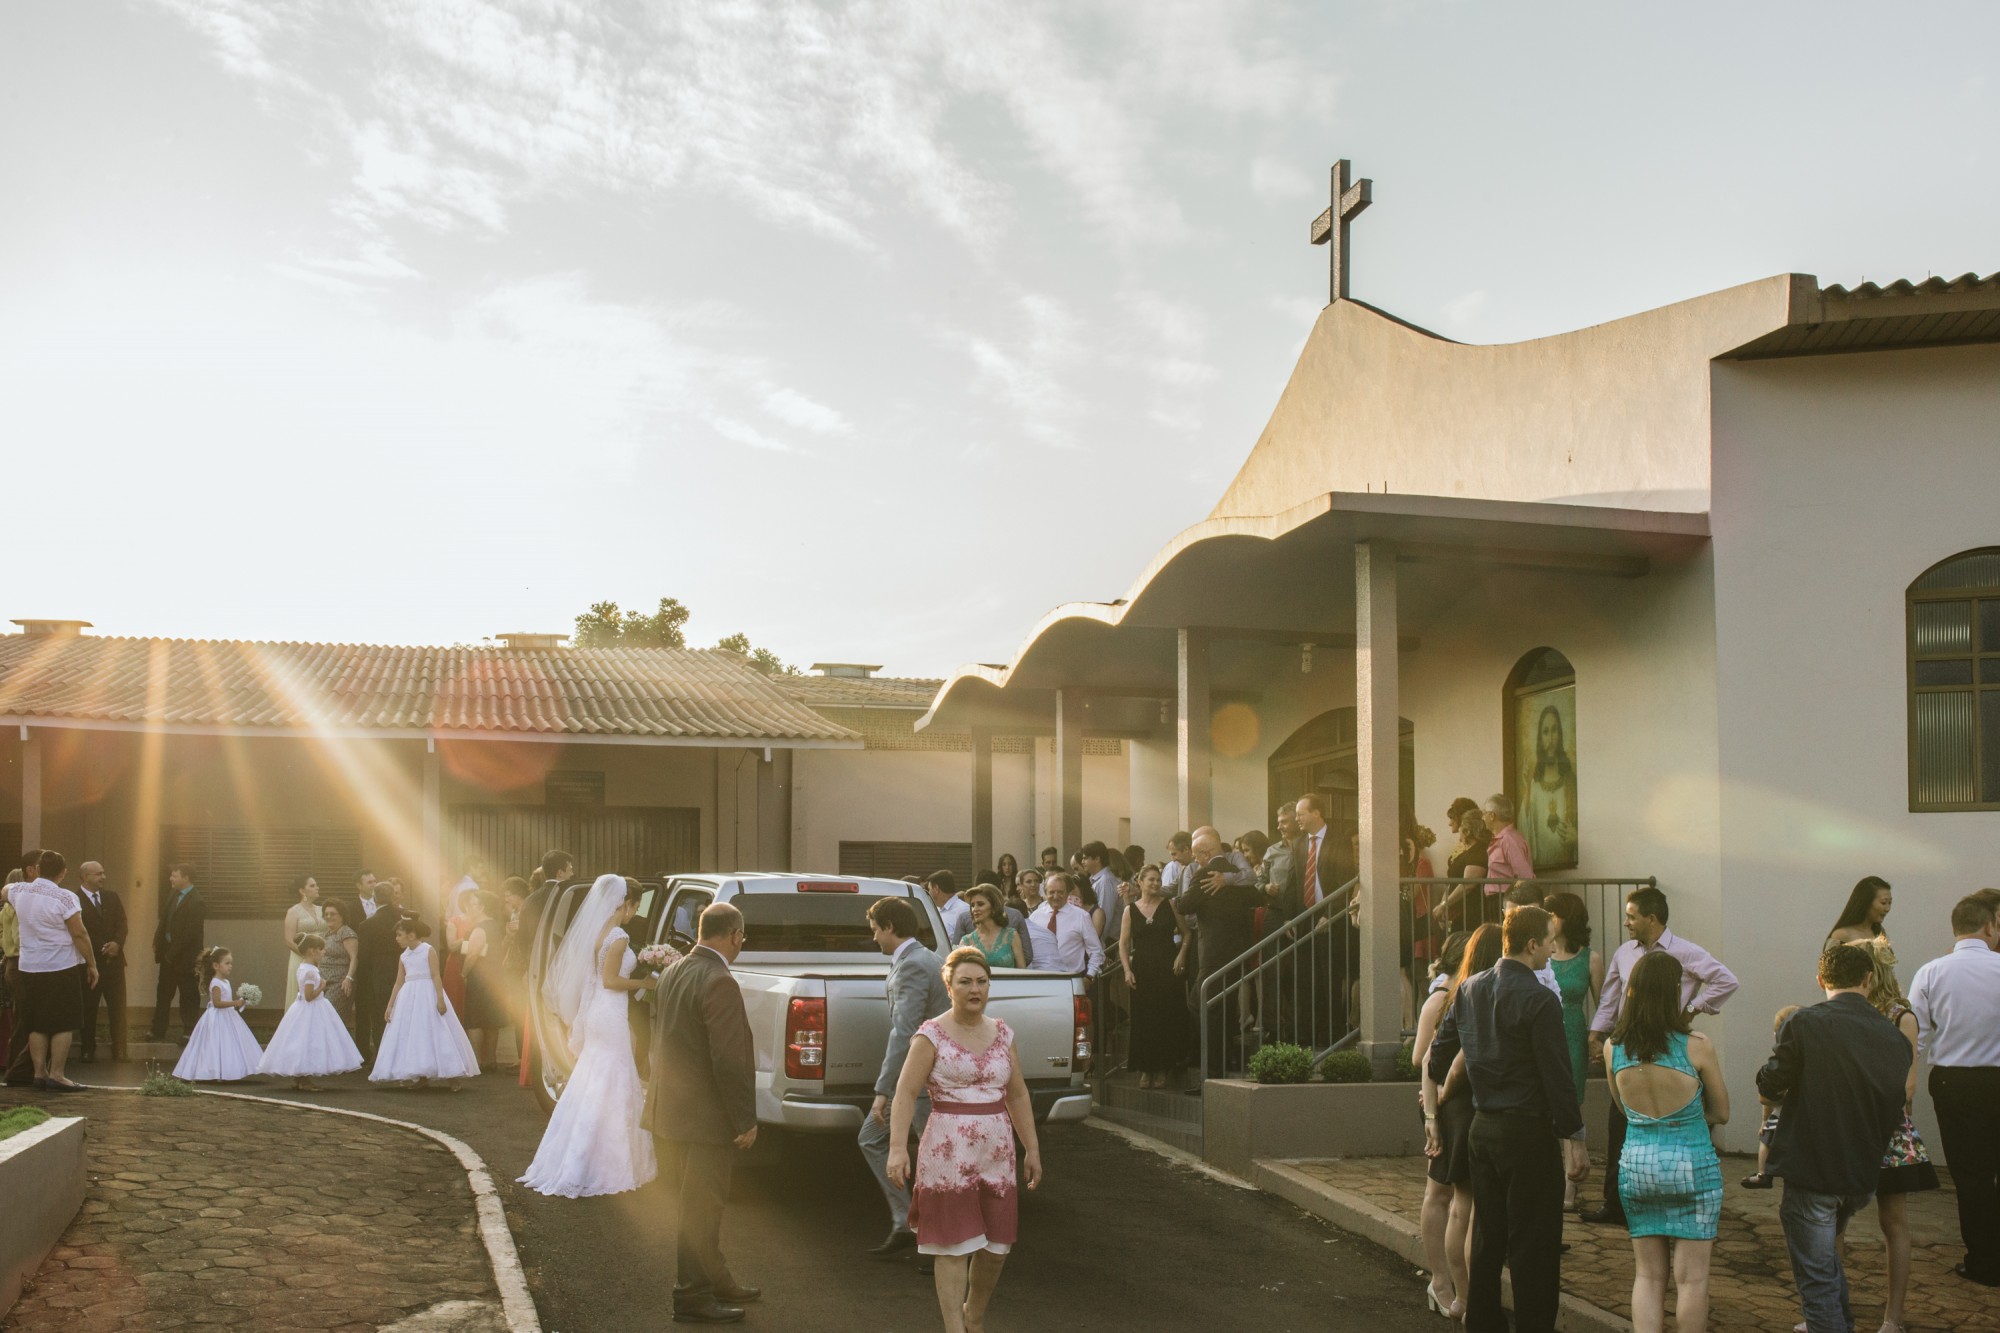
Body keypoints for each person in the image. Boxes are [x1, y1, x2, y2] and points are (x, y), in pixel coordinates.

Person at [1425, 906, 1587, 1333]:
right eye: (1550, 940)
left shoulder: (1469, 989)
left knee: (1486, 1239)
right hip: (1528, 1133)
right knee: (1533, 1246)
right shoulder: (1540, 998)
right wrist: (1576, 1138)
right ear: (1532, 944)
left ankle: (1483, 1324)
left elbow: (1436, 1058)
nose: (1554, 948)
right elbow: (1558, 1075)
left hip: (1483, 1129)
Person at [886, 947, 1044, 1333]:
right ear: (949, 985)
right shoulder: (930, 1035)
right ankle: (954, 1328)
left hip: (998, 1152)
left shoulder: (1004, 1033)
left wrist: (1033, 1148)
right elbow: (905, 1093)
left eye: (982, 981)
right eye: (965, 982)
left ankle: (974, 1314)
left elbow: (1018, 1093)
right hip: (947, 1153)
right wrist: (895, 1149)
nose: (975, 989)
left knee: (996, 1249)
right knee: (953, 1247)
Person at [1758, 943, 1912, 1333]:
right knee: (1824, 1267)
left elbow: (1769, 1085)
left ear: (1821, 979)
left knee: (1817, 1281)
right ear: (1868, 978)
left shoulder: (1805, 1022)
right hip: (1861, 1173)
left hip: (1812, 1169)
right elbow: (1897, 1103)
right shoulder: (1892, 1034)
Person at [1584, 887, 1738, 1227]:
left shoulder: (1686, 952)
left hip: (1670, 1045)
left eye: (1631, 916)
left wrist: (1692, 1009)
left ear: (1651, 918)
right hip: (1629, 1042)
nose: (1626, 922)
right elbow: (1610, 997)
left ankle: (1676, 1189)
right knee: (1619, 1122)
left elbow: (1726, 980)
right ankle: (1616, 1200)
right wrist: (1597, 1034)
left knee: (1669, 1116)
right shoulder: (1624, 953)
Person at [642, 902, 760, 1325]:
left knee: (695, 1205)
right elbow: (728, 1059)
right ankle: (691, 1295)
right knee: (702, 1208)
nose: (741, 943)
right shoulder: (718, 980)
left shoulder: (674, 970)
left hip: (670, 1111)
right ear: (734, 935)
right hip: (705, 1117)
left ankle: (717, 1278)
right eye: (742, 937)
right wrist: (744, 1118)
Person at [1607, 952, 1728, 1333]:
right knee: (1692, 1280)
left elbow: (1624, 1109)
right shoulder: (1697, 1045)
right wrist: (1692, 1118)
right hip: (1692, 1166)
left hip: (1637, 1165)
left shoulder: (1615, 1047)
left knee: (1648, 1276)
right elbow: (1722, 1112)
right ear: (1674, 991)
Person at [521, 876, 661, 1198]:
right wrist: (645, 984)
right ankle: (606, 1161)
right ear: (624, 904)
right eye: (634, 907)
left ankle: (581, 1155)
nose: (634, 913)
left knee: (595, 1080)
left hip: (600, 1012)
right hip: (610, 1012)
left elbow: (598, 980)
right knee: (613, 1079)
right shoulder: (619, 937)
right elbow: (611, 981)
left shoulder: (598, 933)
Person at [1907, 893, 2000, 1289]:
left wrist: (1905, 1085)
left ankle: (1984, 1262)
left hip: (1954, 1082)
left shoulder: (1931, 972)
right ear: (1990, 926)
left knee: (1971, 1174)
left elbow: (1914, 1037)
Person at [1853, 937, 1938, 1332]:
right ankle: (1828, 1310)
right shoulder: (1852, 1011)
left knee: (1894, 1221)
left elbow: (1907, 1084)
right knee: (1836, 1221)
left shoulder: (1900, 1016)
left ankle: (1894, 1317)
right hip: (1861, 1127)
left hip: (1883, 1131)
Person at [861, 895, 951, 1259]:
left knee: (932, 1157)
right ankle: (908, 1223)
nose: (874, 939)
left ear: (890, 928)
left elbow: (905, 1031)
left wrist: (883, 1091)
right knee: (873, 1138)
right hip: (924, 1078)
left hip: (924, 1081)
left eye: (875, 931)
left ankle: (934, 1238)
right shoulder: (924, 958)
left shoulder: (913, 964)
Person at [1417, 926, 1491, 1320]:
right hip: (1450, 1106)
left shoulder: (1475, 995)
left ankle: (1458, 1287)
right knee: (1445, 1196)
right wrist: (1436, 1104)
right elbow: (1423, 1058)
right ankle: (1442, 1282)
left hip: (1458, 1103)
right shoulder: (1447, 999)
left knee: (1463, 1199)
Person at [8, 850, 98, 1091]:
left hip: (28, 965)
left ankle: (39, 1072)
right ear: (63, 872)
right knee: (62, 1022)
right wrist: (91, 963)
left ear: (37, 869)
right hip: (60, 965)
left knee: (36, 1021)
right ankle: (57, 1074)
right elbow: (79, 933)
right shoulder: (65, 897)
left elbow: (5, 891)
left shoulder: (20, 891)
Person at [1179, 836, 1262, 1076]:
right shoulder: (1235, 873)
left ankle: (1213, 1070)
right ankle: (1226, 1061)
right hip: (1237, 951)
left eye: (1196, 856)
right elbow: (1258, 898)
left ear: (1206, 853)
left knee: (1199, 1004)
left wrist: (1174, 898)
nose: (1196, 861)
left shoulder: (1205, 874)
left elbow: (1185, 905)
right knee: (1225, 1007)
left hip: (1214, 952)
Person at [369, 918, 479, 1089]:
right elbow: (398, 982)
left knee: (436, 1030)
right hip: (408, 996)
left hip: (427, 993)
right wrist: (390, 1005)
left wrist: (440, 998)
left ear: (411, 935)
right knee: (414, 1034)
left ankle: (452, 1076)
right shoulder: (404, 956)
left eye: (399, 935)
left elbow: (435, 975)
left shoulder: (427, 950)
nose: (397, 939)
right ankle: (420, 1076)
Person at [1545, 890, 1603, 1211]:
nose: (1548, 919)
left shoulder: (1590, 958)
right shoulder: (1541, 954)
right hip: (1545, 1036)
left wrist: (1597, 1039)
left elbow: (1604, 1005)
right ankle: (1550, 1178)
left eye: (1553, 913)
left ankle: (1570, 1187)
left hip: (1574, 1035)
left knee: (1570, 1109)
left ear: (1567, 917)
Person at [257, 935, 363, 1090]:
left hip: (302, 1008)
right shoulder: (311, 972)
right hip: (311, 1008)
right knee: (310, 1041)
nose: (324, 952)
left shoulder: (303, 967)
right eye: (321, 949)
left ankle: (299, 1078)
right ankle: (305, 1079)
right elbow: (308, 996)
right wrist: (322, 986)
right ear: (312, 951)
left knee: (301, 1041)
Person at [1119, 864, 1188, 1089]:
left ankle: (1162, 1067)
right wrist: (1127, 969)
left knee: (1165, 1017)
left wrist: (1181, 956)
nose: (1156, 883)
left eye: (1158, 880)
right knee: (1144, 1019)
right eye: (1151, 879)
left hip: (1167, 968)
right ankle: (1145, 1068)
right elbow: (1123, 943)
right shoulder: (1130, 909)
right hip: (1143, 970)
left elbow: (1187, 934)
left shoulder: (1170, 904)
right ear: (1140, 882)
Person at [172, 946, 263, 1082]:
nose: (230, 966)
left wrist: (242, 1001)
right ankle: (213, 1071)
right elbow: (217, 1003)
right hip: (217, 1017)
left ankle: (226, 1071)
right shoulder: (215, 983)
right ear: (216, 966)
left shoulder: (225, 981)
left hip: (228, 1017)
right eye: (227, 963)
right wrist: (235, 1003)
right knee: (215, 1044)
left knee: (229, 1043)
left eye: (231, 963)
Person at [1740, 1004, 1801, 1191]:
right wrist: (1764, 1121)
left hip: (1783, 1116)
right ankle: (1764, 1174)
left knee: (1766, 1141)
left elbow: (1767, 1095)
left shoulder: (1780, 1062)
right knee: (1768, 1138)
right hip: (1795, 1118)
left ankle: (1763, 1174)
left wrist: (1765, 1120)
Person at [75, 861, 127, 1064]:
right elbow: (78, 930)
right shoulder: (74, 899)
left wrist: (117, 944)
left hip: (114, 962)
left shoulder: (112, 897)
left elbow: (122, 923)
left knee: (118, 1007)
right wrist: (100, 947)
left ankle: (120, 1049)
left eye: (103, 873)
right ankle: (87, 1048)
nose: (103, 877)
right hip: (90, 963)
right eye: (98, 874)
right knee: (89, 1007)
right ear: (85, 876)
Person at [354, 878, 411, 1062]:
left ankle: (383, 1059)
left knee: (381, 1017)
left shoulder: (367, 925)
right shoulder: (405, 917)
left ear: (375, 898)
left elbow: (363, 957)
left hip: (378, 976)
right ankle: (406, 1056)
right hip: (408, 972)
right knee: (406, 1015)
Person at [149, 863, 206, 1043]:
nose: (171, 879)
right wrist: (158, 941)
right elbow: (165, 920)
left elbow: (190, 934)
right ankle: (158, 1030)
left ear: (186, 877)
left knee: (188, 995)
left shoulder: (197, 901)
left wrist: (171, 953)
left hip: (186, 957)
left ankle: (189, 1031)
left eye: (175, 876)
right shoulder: (173, 894)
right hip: (168, 955)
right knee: (163, 994)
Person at [1520, 706, 1578, 870]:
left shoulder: (1571, 782)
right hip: (1541, 870)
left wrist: (1577, 838)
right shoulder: (1534, 785)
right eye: (1545, 732)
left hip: (1567, 863)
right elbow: (1524, 829)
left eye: (1554, 731)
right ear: (1540, 738)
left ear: (1560, 735)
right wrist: (1525, 790)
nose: (1550, 739)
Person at [458, 890, 506, 1070]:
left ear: (482, 907)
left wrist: (463, 974)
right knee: (492, 1020)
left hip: (479, 977)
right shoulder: (495, 925)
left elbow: (472, 954)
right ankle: (490, 1060)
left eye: (472, 904)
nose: (469, 907)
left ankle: (476, 1060)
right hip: (495, 976)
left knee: (475, 1019)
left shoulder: (480, 928)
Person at [1024, 873, 1104, 976]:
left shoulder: (1081, 916)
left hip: (1072, 979)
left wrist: (1090, 976)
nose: (1056, 896)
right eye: (1051, 892)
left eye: (1060, 892)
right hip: (1040, 979)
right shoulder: (1035, 917)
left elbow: (1096, 951)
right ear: (1045, 893)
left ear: (1067, 893)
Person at [1439, 806, 1491, 929]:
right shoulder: (1468, 852)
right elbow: (1452, 883)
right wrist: (1444, 904)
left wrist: (1444, 905)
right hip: (1458, 913)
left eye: (1462, 826)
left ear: (1468, 830)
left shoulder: (1478, 852)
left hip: (1470, 914)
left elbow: (1467, 885)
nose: (1459, 829)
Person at [282, 875, 327, 1007]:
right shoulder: (293, 911)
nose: (317, 888)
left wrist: (319, 955)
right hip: (301, 957)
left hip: (320, 956)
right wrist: (308, 956)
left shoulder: (321, 910)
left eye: (316, 885)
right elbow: (289, 941)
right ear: (302, 891)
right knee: (303, 993)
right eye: (312, 885)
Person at [317, 899, 360, 1030]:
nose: (329, 917)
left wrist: (349, 978)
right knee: (319, 1017)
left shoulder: (347, 933)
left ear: (342, 915)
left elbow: (355, 957)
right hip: (322, 982)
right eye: (326, 914)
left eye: (333, 914)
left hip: (339, 983)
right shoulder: (325, 935)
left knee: (330, 1017)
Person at [1481, 793, 1535, 895]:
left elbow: (1525, 875)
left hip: (1506, 899)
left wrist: (1514, 898)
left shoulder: (1509, 840)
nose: (1483, 818)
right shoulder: (1502, 839)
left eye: (1484, 813)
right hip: (1499, 899)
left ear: (1492, 816)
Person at [960, 886, 1025, 968]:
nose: (974, 909)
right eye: (972, 905)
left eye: (980, 904)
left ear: (994, 907)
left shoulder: (1011, 935)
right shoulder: (967, 941)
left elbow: (1022, 972)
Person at [1825, 875, 1893, 949]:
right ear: (1866, 902)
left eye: (1889, 903)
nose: (1887, 909)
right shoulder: (1841, 935)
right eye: (1883, 903)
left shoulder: (1879, 934)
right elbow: (1828, 960)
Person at [925, 871, 971, 946]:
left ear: (936, 889)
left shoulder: (964, 910)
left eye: (929, 889)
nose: (928, 893)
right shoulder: (934, 910)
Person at [1159, 831, 1195, 896]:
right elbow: (1171, 889)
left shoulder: (1202, 866)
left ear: (1186, 849)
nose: (1173, 859)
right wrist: (1145, 889)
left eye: (1174, 854)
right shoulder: (1185, 868)